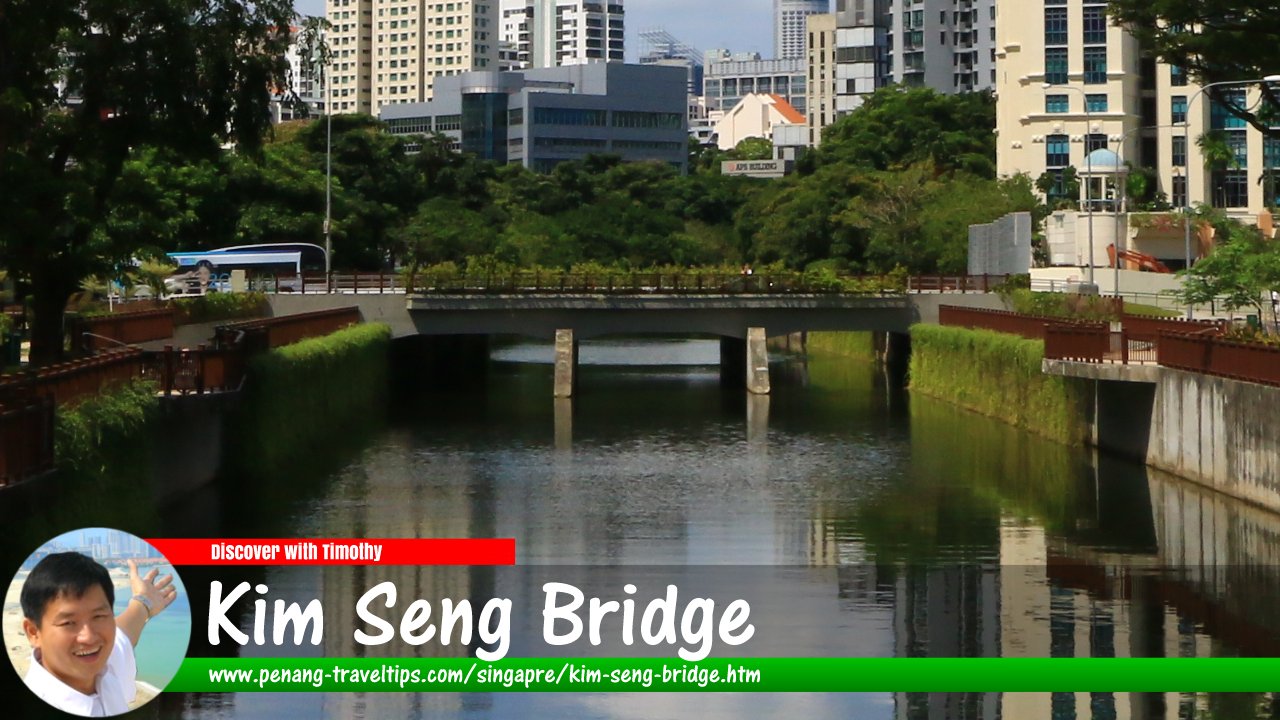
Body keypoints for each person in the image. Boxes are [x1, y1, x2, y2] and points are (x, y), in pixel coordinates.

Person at [20, 552, 178, 717]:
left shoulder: (104, 667)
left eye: (98, 616)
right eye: (68, 623)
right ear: (33, 632)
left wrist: (144, 601)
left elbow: (124, 634)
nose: (88, 637)